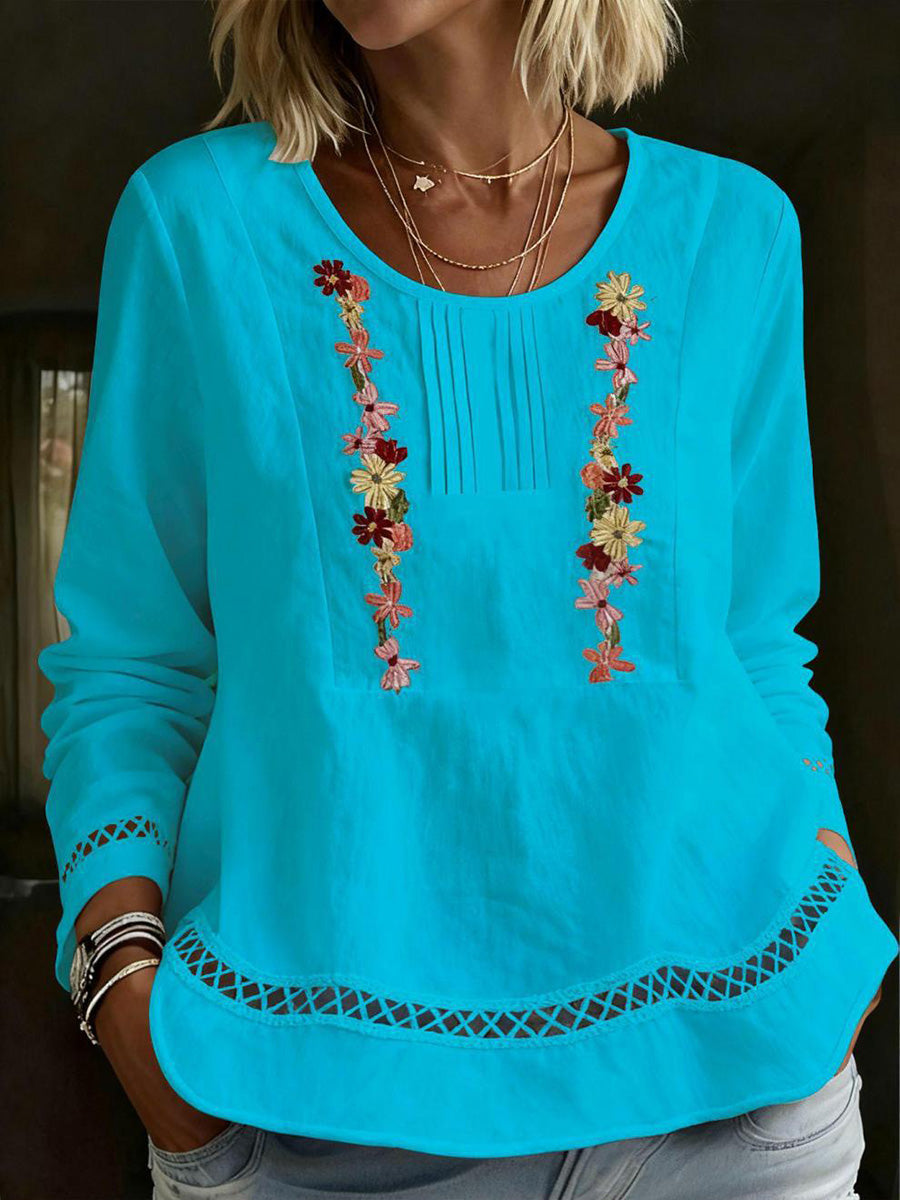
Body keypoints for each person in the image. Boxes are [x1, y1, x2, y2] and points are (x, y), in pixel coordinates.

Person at [38, 1, 897, 1197]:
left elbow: (755, 645)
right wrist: (123, 983)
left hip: (734, 1097)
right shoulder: (199, 223)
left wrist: (829, 903)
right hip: (313, 1116)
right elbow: (134, 663)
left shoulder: (732, 231)